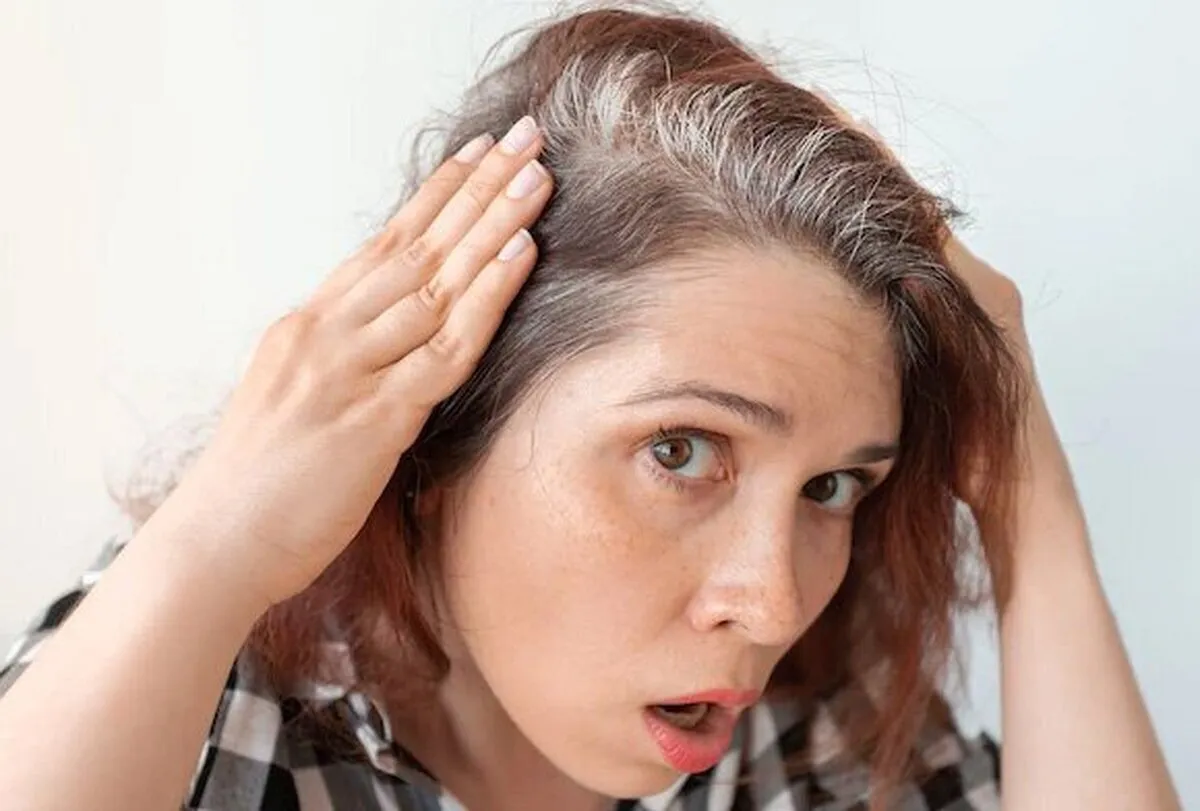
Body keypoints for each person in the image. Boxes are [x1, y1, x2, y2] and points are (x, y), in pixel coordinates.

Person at [0, 5, 1180, 811]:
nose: (773, 602)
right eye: (682, 450)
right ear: (437, 428)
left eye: (832, 486)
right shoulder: (202, 692)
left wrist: (1033, 512)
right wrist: (217, 539)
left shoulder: (813, 740)